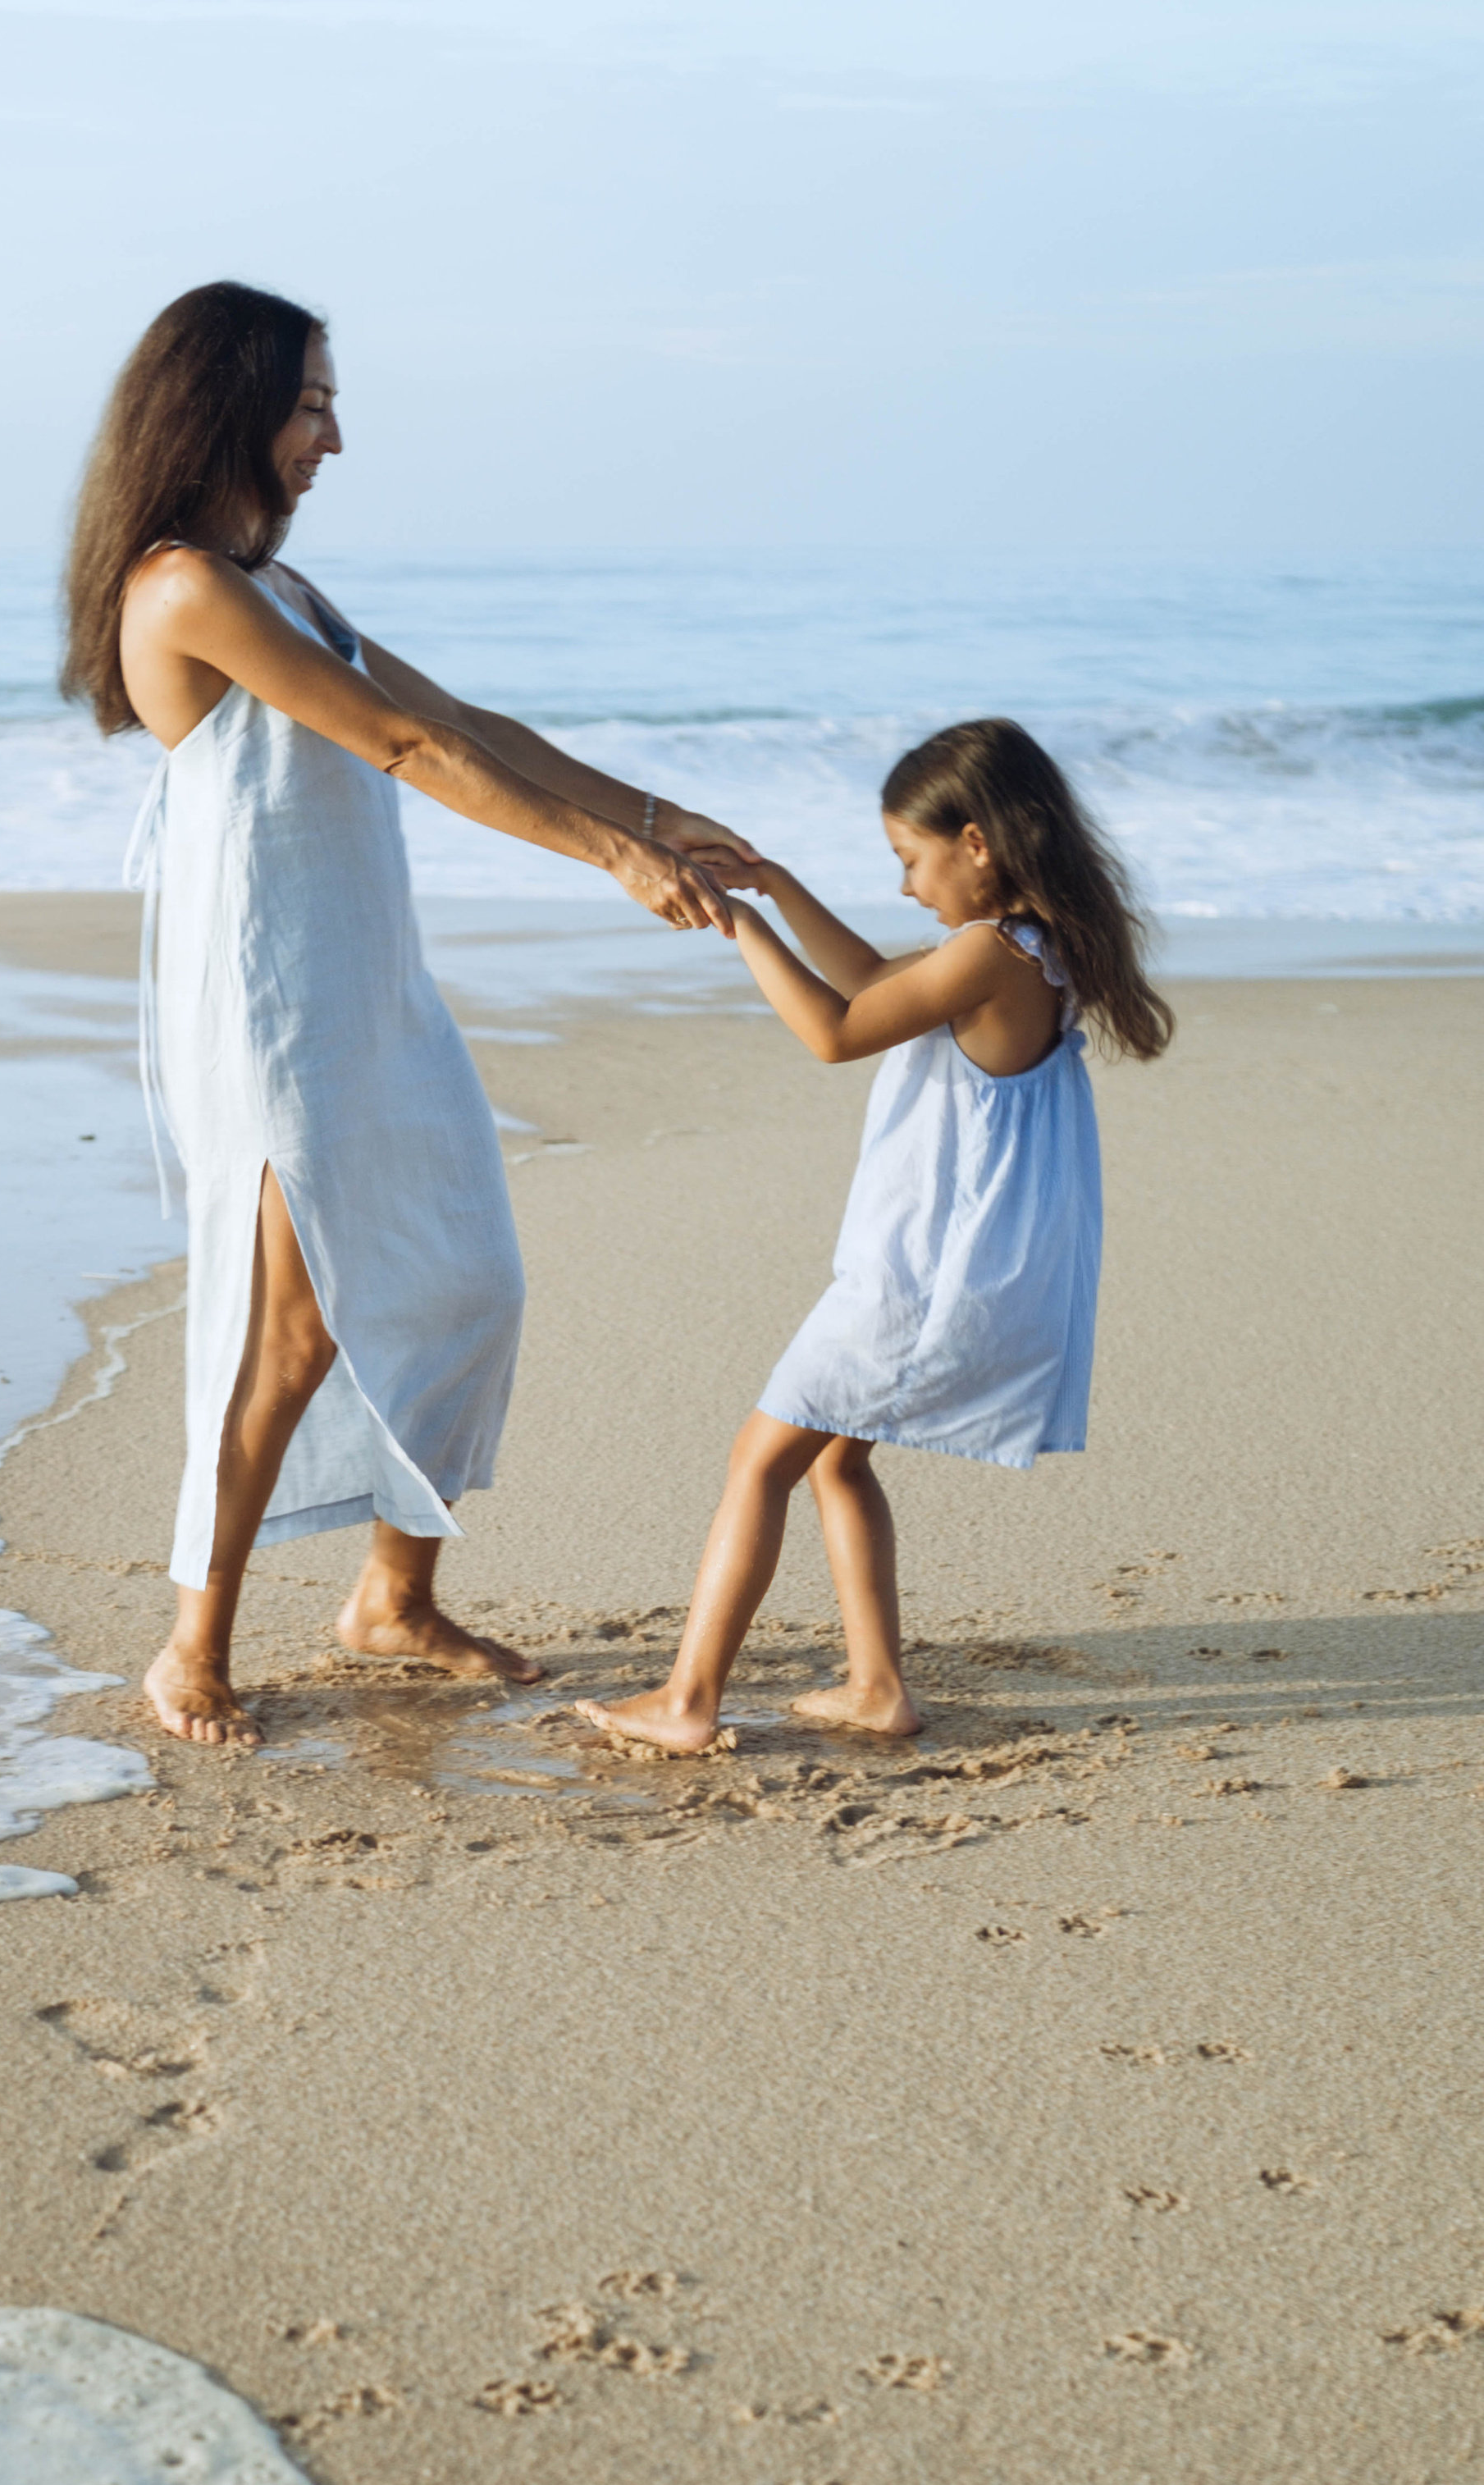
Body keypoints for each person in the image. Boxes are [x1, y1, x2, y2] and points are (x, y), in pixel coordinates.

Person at [62, 281, 751, 1746]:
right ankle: (193, 1645)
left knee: (464, 1279)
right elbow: (399, 745)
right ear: (228, 408)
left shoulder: (286, 594)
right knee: (295, 1325)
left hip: (371, 987)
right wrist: (610, 860)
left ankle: (392, 1597)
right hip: (273, 1004)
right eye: (312, 402)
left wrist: (654, 812)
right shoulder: (182, 588)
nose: (333, 436)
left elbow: (470, 723)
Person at [581, 715, 1173, 1755]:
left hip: (919, 1275)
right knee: (834, 1462)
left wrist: (734, 923)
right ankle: (875, 1687)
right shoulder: (1026, 944)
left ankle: (686, 1701)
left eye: (911, 859)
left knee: (760, 1458)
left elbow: (834, 1031)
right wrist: (774, 881)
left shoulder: (992, 954)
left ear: (977, 843)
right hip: (943, 1260)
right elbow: (867, 978)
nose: (906, 885)